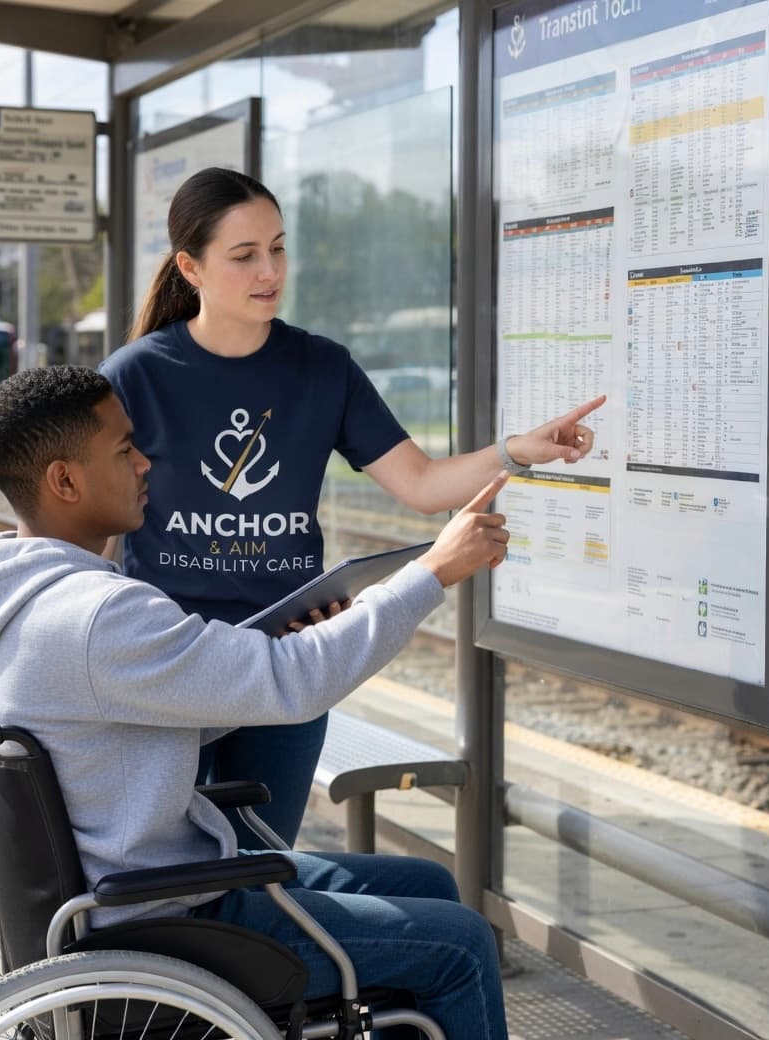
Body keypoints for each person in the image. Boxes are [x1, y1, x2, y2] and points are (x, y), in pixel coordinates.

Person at [0, 365, 509, 1039]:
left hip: (114, 899)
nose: (146, 462)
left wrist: (259, 652)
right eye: (124, 449)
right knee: (461, 942)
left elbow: (143, 705)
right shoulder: (97, 616)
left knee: (426, 888)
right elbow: (296, 682)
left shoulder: (8, 598)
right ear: (65, 481)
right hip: (167, 923)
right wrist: (433, 572)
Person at [100, 166, 605, 850]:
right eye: (244, 256)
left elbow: (423, 484)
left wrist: (520, 449)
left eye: (278, 248)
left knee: (261, 868)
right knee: (161, 865)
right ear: (190, 266)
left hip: (286, 668)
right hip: (171, 666)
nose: (269, 269)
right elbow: (92, 531)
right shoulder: (136, 375)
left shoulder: (322, 368)